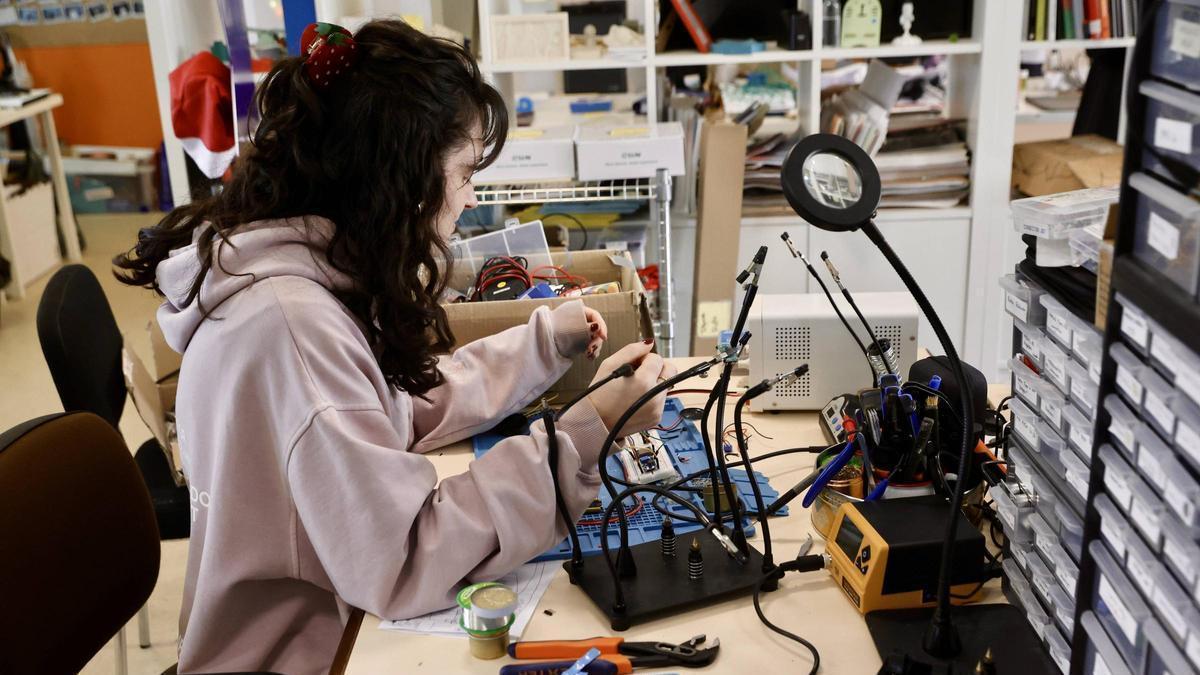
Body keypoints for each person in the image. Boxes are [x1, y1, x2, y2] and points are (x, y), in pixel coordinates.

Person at [115, 20, 674, 675]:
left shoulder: (294, 276)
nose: (470, 197)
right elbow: (407, 557)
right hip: (300, 656)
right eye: (464, 173)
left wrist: (544, 343)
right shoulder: (293, 329)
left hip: (328, 624)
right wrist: (589, 431)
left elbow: (392, 408)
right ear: (399, 180)